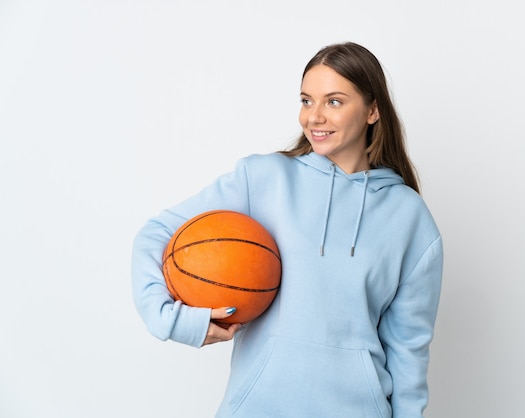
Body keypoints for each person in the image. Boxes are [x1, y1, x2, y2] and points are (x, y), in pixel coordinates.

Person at [132, 41, 443, 418]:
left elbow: (408, 349)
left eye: (334, 101)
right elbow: (158, 233)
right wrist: (175, 321)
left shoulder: (409, 217)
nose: (314, 117)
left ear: (373, 110)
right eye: (306, 100)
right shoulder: (262, 179)